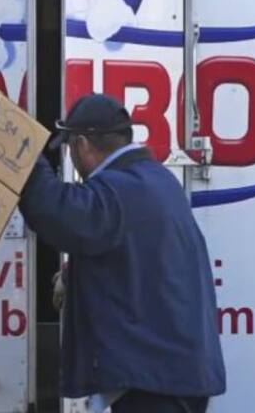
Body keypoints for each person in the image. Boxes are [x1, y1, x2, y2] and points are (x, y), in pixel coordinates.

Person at [19, 93, 226, 413]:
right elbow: (137, 256)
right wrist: (75, 275)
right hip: (172, 375)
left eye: (69, 147)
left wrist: (20, 151)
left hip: (156, 383)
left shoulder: (123, 188)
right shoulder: (154, 180)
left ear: (82, 145)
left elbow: (58, 213)